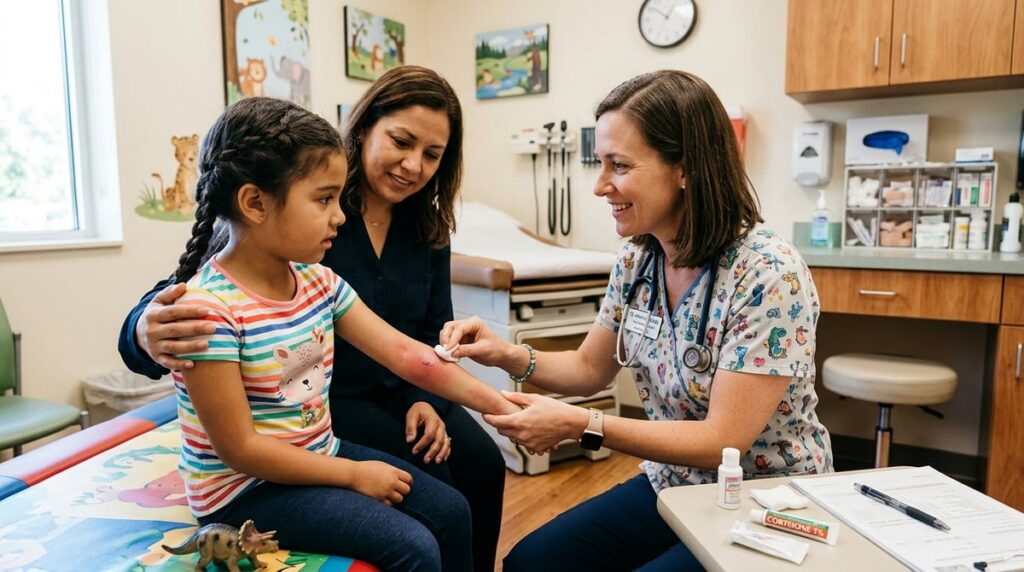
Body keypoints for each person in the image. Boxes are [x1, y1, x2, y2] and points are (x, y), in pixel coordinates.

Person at [440, 70, 834, 571]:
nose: (601, 186)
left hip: (765, 499)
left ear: (685, 168)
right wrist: (507, 354)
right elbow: (588, 369)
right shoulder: (637, 262)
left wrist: (584, 425)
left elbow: (722, 440)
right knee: (529, 564)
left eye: (619, 166)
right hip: (675, 482)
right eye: (600, 164)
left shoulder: (768, 273)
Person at [117, 66, 507, 571]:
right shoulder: (285, 229)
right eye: (402, 142)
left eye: (432, 154)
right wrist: (143, 329)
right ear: (366, 128)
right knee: (425, 518)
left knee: (475, 476)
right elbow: (182, 298)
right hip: (321, 420)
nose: (414, 165)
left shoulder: (342, 260)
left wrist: (503, 406)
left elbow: (416, 349)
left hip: (348, 419)